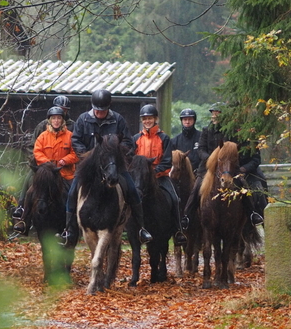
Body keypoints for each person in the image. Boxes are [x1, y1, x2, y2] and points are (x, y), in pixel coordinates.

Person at [61, 89, 152, 245]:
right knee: (71, 193)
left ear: (108, 107)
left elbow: (128, 143)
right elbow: (75, 141)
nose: (99, 113)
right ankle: (68, 230)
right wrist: (88, 156)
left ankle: (141, 229)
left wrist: (116, 154)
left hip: (113, 166)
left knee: (132, 190)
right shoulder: (83, 120)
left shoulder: (118, 120)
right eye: (97, 110)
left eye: (102, 110)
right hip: (89, 167)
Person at [181, 103, 265, 230]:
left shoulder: (231, 132)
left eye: (218, 113)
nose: (215, 116)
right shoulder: (206, 130)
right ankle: (187, 217)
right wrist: (211, 160)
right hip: (208, 168)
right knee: (197, 188)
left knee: (243, 184)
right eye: (213, 113)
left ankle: (252, 213)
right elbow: (201, 150)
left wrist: (241, 168)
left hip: (228, 169)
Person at [12, 95, 75, 234]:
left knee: (73, 192)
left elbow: (76, 150)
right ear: (50, 117)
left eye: (64, 111)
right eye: (56, 115)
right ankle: (22, 213)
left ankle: (73, 224)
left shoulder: (72, 128)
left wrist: (65, 161)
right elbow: (34, 148)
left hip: (64, 169)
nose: (58, 118)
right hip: (43, 168)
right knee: (29, 185)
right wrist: (42, 163)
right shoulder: (42, 129)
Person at [133, 104, 187, 246]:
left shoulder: (164, 138)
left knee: (175, 198)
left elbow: (167, 161)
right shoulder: (136, 139)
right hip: (140, 179)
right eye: (144, 119)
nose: (147, 121)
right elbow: (131, 159)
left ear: (155, 119)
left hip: (160, 177)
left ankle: (177, 231)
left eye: (150, 118)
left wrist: (153, 172)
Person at [171, 108, 202, 172]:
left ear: (194, 121)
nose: (187, 122)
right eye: (185, 119)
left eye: (190, 119)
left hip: (199, 173)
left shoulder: (202, 137)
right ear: (182, 121)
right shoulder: (175, 140)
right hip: (180, 174)